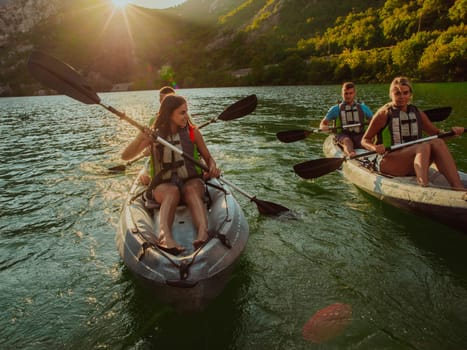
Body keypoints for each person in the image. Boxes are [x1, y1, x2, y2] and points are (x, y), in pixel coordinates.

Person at [121, 95, 221, 254]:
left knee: (192, 189)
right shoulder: (154, 136)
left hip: (191, 181)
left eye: (186, 112)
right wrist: (140, 137)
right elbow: (125, 156)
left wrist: (213, 167)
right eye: (182, 113)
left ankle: (203, 232)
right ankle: (165, 237)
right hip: (164, 186)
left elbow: (208, 158)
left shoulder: (193, 132)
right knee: (171, 192)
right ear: (169, 114)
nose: (186, 116)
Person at [361, 76, 465, 189]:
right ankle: (423, 186)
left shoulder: (417, 112)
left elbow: (437, 133)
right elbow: (365, 140)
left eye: (405, 93)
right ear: (391, 95)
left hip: (413, 160)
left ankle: (458, 186)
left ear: (410, 94)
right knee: (423, 147)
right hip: (389, 161)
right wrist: (374, 148)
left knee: (438, 142)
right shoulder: (383, 114)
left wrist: (453, 132)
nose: (402, 97)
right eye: (397, 94)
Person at [319, 82, 373, 156]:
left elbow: (373, 121)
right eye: (346, 93)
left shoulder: (363, 108)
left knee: (367, 142)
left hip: (359, 134)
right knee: (347, 141)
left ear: (354, 94)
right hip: (343, 135)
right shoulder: (335, 109)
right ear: (342, 94)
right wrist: (324, 127)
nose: (348, 96)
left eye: (350, 93)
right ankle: (351, 155)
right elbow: (323, 123)